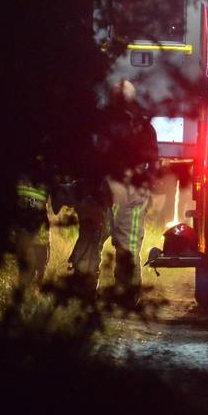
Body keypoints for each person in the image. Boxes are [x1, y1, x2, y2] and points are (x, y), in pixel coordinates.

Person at [68, 79, 159, 299]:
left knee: (91, 240)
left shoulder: (97, 124)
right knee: (127, 248)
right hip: (132, 193)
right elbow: (153, 162)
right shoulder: (144, 127)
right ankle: (126, 296)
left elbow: (85, 158)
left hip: (100, 190)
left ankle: (84, 292)